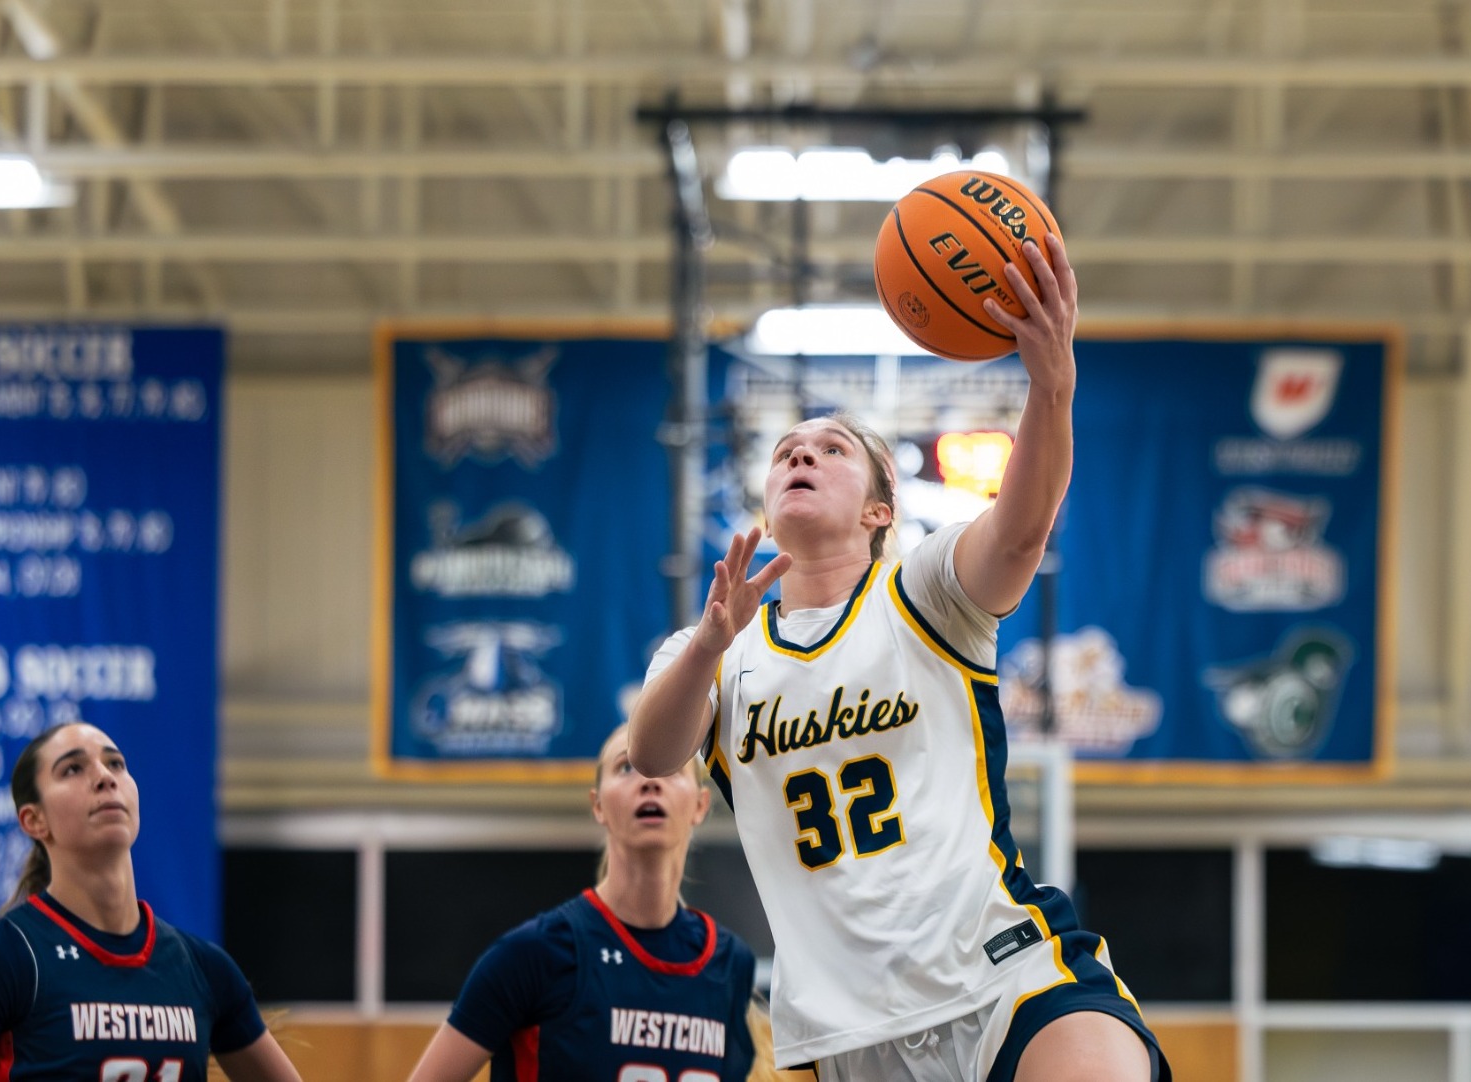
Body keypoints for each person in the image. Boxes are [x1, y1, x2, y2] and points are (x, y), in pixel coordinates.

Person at [629, 233, 1170, 1082]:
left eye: (831, 449)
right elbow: (654, 753)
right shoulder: (718, 648)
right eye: (786, 451)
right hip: (844, 1031)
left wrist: (1051, 386)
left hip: (1002, 972)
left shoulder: (922, 591)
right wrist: (706, 644)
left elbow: (1020, 532)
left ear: (879, 512)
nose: (801, 454)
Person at [0, 722, 302, 1082]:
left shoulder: (203, 967)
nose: (104, 777)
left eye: (115, 763)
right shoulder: (3, 962)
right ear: (34, 820)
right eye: (72, 769)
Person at [407, 725, 773, 1082]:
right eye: (626, 767)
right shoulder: (533, 955)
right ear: (598, 805)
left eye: (671, 768)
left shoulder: (730, 963)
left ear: (700, 804)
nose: (649, 779)